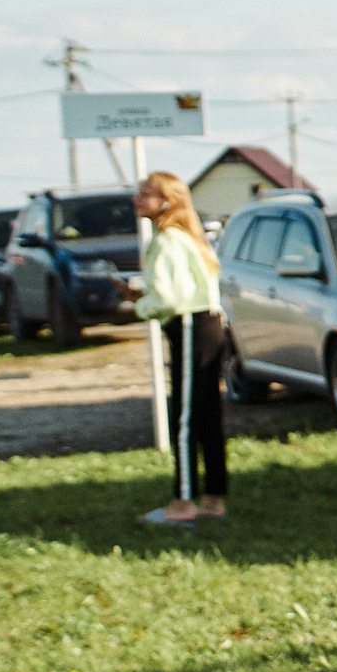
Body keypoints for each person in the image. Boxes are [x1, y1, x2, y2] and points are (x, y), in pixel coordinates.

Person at [132, 171, 226, 528]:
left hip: (189, 326)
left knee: (185, 418)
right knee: (208, 416)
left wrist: (140, 305)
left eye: (146, 194)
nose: (137, 199)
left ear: (167, 202)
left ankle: (183, 501)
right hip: (209, 325)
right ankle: (213, 499)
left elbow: (170, 299)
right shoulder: (188, 236)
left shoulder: (167, 239)